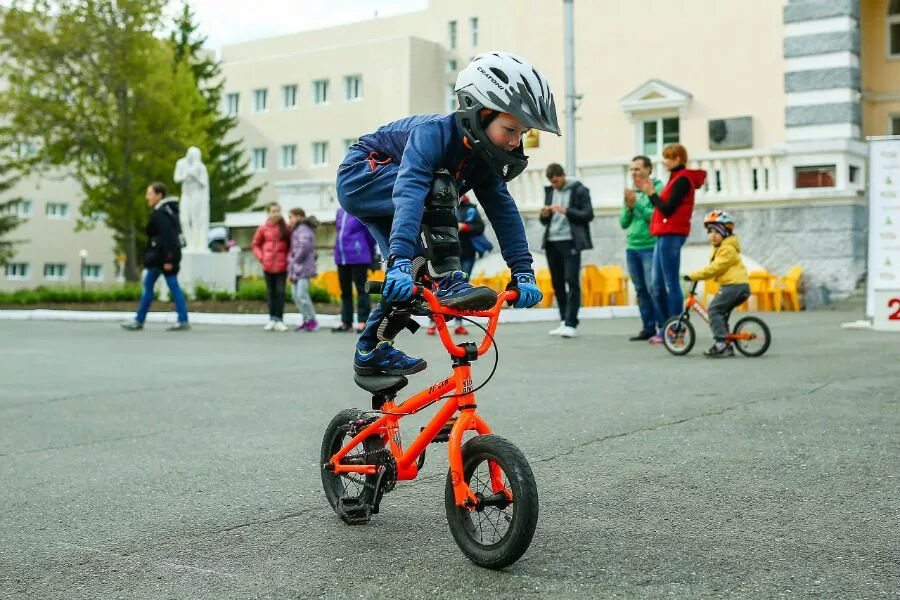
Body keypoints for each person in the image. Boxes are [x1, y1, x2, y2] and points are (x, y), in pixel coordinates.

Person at [336, 50, 557, 376]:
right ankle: (450, 280)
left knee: (415, 274)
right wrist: (396, 260)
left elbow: (503, 211)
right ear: (480, 114)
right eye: (510, 129)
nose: (514, 142)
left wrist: (523, 271)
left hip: (399, 196)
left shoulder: (484, 157)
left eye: (522, 134)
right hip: (363, 174)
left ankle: (371, 349)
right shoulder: (434, 134)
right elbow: (411, 193)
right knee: (437, 187)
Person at [636, 143, 706, 344]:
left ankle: (676, 329)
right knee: (656, 284)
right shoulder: (675, 179)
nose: (665, 161)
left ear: (679, 159)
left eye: (669, 157)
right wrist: (652, 195)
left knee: (670, 283)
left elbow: (667, 209)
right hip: (663, 234)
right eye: (665, 157)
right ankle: (666, 327)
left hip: (672, 234)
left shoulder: (683, 180)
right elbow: (662, 207)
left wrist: (651, 193)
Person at [121, 182, 190, 331]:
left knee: (165, 287)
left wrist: (168, 260)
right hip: (161, 258)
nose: (147, 197)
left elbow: (169, 238)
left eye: (150, 194)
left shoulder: (162, 214)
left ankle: (141, 320)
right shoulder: (167, 211)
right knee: (154, 286)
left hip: (162, 259)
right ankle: (141, 319)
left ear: (159, 195)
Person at [684, 210, 750, 358]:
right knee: (721, 314)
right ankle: (727, 343)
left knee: (713, 311)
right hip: (737, 286)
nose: (712, 235)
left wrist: (694, 275)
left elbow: (715, 268)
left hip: (735, 286)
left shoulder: (727, 249)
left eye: (716, 231)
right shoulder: (722, 248)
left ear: (725, 233)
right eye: (710, 231)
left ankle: (721, 344)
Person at [539, 163, 594, 339]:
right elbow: (544, 222)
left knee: (572, 280)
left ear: (563, 175)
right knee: (557, 282)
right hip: (551, 241)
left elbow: (588, 214)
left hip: (570, 241)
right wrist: (544, 215)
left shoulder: (579, 190)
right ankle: (563, 321)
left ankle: (572, 323)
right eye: (552, 182)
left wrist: (566, 210)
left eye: (557, 181)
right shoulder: (549, 191)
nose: (555, 185)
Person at [426, 194, 488, 336]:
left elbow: (479, 227)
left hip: (466, 253)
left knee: (461, 288)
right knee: (436, 287)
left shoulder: (470, 209)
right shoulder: (436, 205)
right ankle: (433, 323)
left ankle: (459, 323)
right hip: (443, 254)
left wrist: (464, 227)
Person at [620, 156, 663, 341]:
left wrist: (636, 204)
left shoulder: (658, 188)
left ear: (649, 170)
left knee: (654, 288)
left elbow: (655, 216)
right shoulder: (631, 191)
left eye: (637, 169)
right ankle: (648, 327)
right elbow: (623, 222)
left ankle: (663, 326)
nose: (634, 173)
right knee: (640, 289)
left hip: (650, 246)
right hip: (632, 247)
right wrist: (629, 208)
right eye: (632, 170)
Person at [333, 207, 378, 333]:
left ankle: (363, 321)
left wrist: (369, 251)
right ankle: (346, 321)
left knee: (361, 289)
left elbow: (370, 234)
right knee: (345, 291)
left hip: (358, 255)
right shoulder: (339, 212)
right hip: (341, 257)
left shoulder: (359, 210)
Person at [252, 202, 290, 332]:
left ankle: (279, 319)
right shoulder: (262, 229)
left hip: (282, 267)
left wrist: (287, 259)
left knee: (280, 293)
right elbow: (255, 244)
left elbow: (291, 246)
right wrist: (261, 257)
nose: (276, 213)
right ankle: (272, 319)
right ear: (268, 213)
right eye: (273, 211)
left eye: (278, 211)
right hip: (267, 266)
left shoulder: (286, 228)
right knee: (270, 293)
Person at [288, 207, 320, 332]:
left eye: (291, 217)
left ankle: (312, 320)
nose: (289, 220)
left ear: (299, 216)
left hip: (303, 268)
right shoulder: (297, 230)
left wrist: (295, 260)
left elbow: (304, 246)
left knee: (302, 295)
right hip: (296, 268)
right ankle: (306, 320)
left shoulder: (303, 229)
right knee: (296, 296)